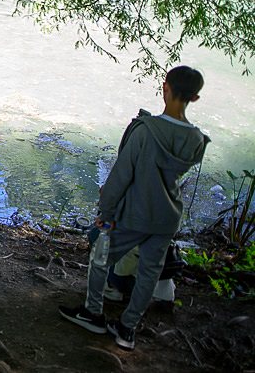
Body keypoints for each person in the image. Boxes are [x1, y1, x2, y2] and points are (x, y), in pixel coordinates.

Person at [59, 66, 208, 352]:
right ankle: (127, 329)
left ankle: (92, 313)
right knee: (149, 272)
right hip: (167, 217)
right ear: (195, 98)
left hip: (133, 213)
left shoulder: (145, 130)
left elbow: (121, 175)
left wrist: (105, 210)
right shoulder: (197, 140)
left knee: (101, 255)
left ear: (165, 88)